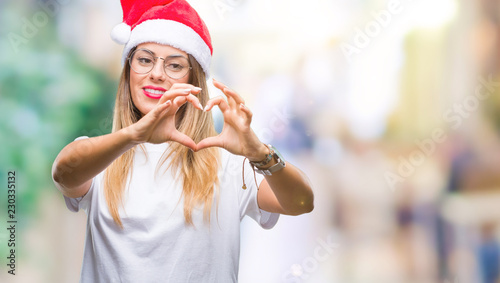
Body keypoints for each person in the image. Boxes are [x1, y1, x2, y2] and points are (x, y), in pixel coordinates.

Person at [51, 0, 314, 282]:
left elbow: (301, 202)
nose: (156, 73)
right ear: (128, 72)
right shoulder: (102, 155)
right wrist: (134, 135)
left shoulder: (228, 164)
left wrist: (259, 152)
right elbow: (64, 173)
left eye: (175, 65)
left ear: (195, 81)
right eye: (144, 60)